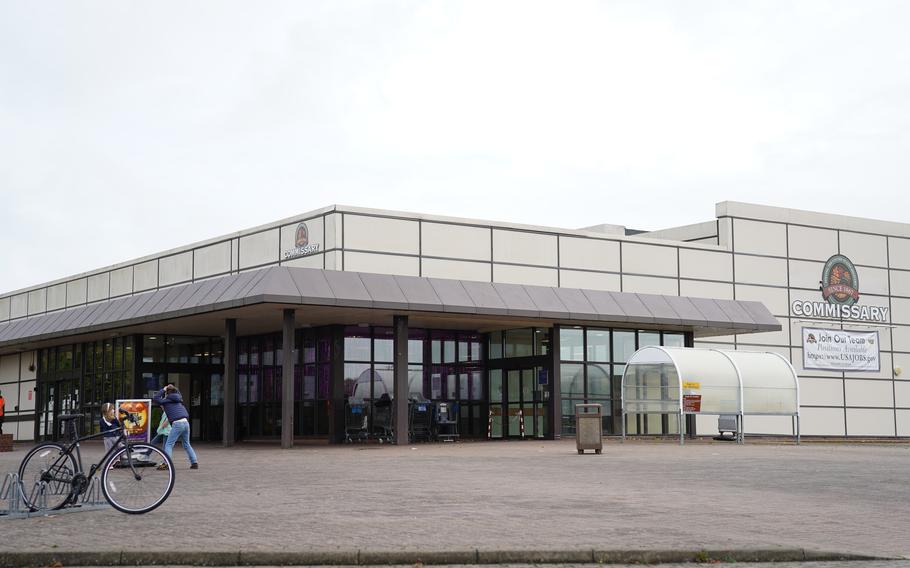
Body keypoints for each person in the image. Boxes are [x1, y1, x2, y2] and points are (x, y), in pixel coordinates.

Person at [152, 384, 198, 470]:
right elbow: (178, 394)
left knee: (168, 444)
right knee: (187, 444)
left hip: (177, 424)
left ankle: (166, 463)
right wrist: (174, 388)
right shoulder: (179, 400)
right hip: (185, 422)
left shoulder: (166, 401)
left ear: (167, 394)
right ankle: (194, 462)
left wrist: (164, 389)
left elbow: (156, 398)